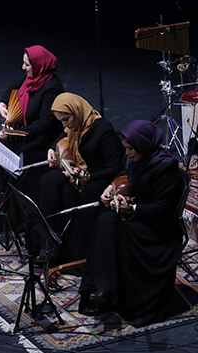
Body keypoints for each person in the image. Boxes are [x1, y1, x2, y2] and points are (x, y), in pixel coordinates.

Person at [78, 120, 183, 326]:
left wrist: (133, 208)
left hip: (158, 230)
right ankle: (101, 288)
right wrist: (112, 188)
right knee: (106, 220)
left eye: (130, 149)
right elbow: (128, 176)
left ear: (143, 145)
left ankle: (104, 289)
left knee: (110, 225)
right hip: (142, 219)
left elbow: (163, 208)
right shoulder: (141, 160)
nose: (127, 153)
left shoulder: (165, 168)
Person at [37, 92, 124, 262]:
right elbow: (63, 134)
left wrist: (88, 175)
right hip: (77, 171)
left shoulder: (103, 130)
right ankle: (49, 239)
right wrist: (52, 148)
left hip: (98, 177)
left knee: (69, 193)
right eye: (61, 121)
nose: (65, 124)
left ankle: (73, 253)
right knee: (47, 181)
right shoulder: (73, 126)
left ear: (76, 111)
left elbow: (115, 167)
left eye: (66, 119)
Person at [0, 45, 64, 209]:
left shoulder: (52, 87)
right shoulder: (28, 79)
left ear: (39, 65)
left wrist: (15, 132)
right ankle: (0, 203)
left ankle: (18, 208)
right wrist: (3, 103)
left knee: (15, 155)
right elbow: (12, 89)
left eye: (27, 64)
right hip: (25, 133)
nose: (23, 68)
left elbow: (45, 124)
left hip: (41, 139)